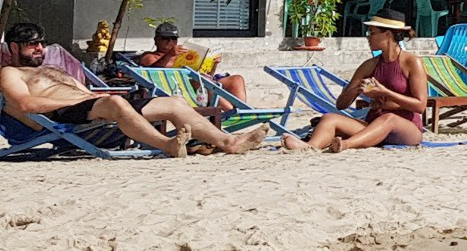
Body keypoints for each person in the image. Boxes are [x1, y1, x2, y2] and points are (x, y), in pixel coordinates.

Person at [2, 19, 250, 155]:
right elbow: (24, 104)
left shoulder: (53, 69)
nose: (40, 49)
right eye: (31, 44)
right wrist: (75, 103)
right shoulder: (10, 73)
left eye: (41, 44)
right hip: (66, 117)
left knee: (174, 103)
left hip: (95, 109)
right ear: (14, 47)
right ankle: (167, 145)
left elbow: (88, 93)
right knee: (114, 103)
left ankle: (228, 142)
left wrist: (101, 99)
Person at [288, 16, 428, 151]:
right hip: (373, 126)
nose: (368, 37)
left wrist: (385, 93)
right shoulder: (370, 65)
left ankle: (345, 144)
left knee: (389, 118)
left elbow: (420, 106)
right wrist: (357, 90)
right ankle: (310, 147)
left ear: (387, 34)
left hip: (407, 130)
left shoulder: (412, 62)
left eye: (371, 33)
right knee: (329, 118)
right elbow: (341, 105)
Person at [131, 20, 251, 108]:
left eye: (174, 39)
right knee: (203, 81)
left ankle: (243, 109)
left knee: (236, 79)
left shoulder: (183, 56)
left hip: (199, 86)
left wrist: (213, 65)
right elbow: (153, 71)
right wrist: (169, 55)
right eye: (165, 38)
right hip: (182, 90)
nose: (170, 42)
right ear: (156, 40)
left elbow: (207, 75)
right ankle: (229, 111)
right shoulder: (149, 56)